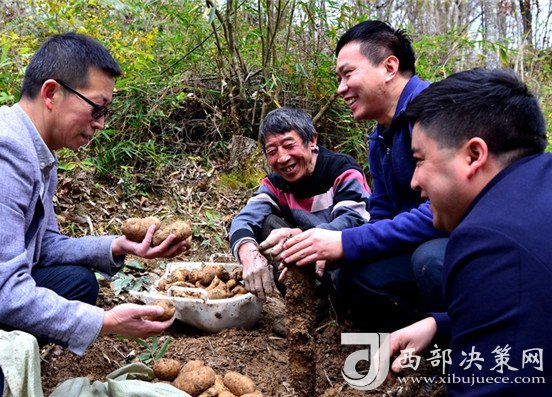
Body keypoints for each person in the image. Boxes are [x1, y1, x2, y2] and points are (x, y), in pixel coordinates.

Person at [0, 33, 188, 397]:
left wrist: (119, 247)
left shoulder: (38, 151)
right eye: (97, 108)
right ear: (51, 93)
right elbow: (2, 290)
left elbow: (42, 247)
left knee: (78, 282)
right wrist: (105, 323)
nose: (102, 123)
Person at [389, 68, 551, 396]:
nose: (414, 182)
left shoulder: (490, 239)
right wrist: (441, 323)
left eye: (419, 160)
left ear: (473, 155)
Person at [280, 20, 449, 329]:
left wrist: (346, 241)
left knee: (431, 261)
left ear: (389, 67)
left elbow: (439, 214)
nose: (341, 88)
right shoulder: (379, 137)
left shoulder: (435, 114)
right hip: (417, 242)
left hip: (457, 241)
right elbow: (382, 212)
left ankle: (458, 339)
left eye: (348, 74)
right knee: (352, 276)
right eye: (339, 78)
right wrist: (333, 248)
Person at [229, 106, 371, 299]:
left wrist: (304, 238)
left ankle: (340, 311)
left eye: (289, 145)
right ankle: (300, 303)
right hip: (304, 266)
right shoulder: (275, 183)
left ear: (312, 140)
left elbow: (354, 219)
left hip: (342, 260)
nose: (282, 158)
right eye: (272, 151)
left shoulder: (342, 169)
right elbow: (244, 218)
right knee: (265, 222)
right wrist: (248, 253)